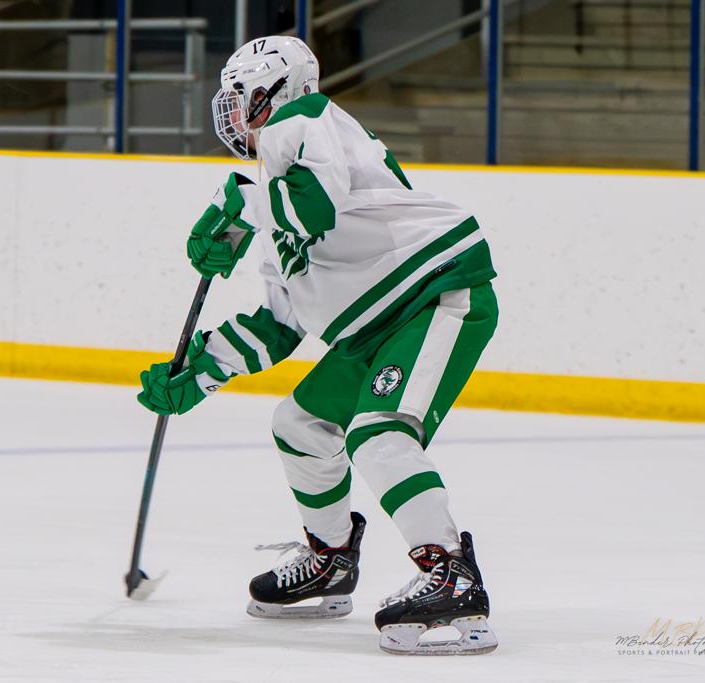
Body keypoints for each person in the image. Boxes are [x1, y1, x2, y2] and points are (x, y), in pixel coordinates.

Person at [136, 36, 499, 656]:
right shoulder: (277, 190)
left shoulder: (304, 120)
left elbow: (315, 208)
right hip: (375, 327)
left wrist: (241, 204)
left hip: (435, 294)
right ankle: (331, 558)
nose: (232, 112)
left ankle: (453, 577)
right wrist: (201, 369)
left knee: (379, 435)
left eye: (241, 96)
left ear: (274, 91)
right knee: (300, 425)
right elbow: (281, 323)